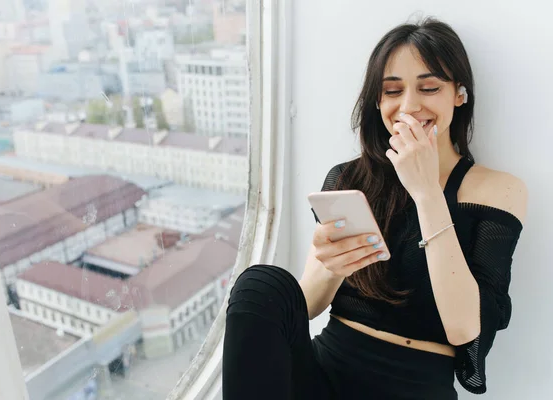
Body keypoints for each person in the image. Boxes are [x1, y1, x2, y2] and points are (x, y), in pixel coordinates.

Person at [222, 17, 528, 400]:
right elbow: (310, 304)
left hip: (414, 387)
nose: (409, 106)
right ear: (378, 101)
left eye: (429, 87)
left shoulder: (497, 188)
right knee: (260, 282)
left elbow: (465, 328)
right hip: (324, 372)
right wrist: (332, 267)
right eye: (392, 91)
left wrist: (427, 192)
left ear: (459, 94)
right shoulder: (350, 178)